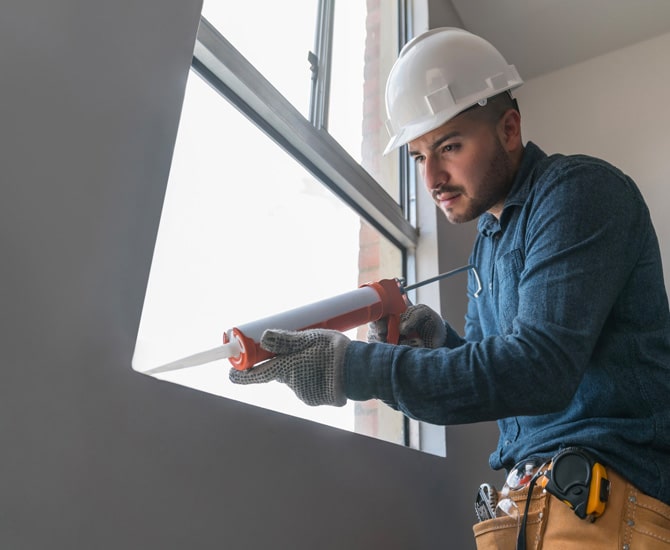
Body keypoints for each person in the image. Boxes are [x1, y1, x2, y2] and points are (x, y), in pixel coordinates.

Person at [230, 27, 670, 548]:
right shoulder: (488, 241)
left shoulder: (578, 194)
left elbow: (539, 370)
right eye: (418, 157)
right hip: (528, 506)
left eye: (450, 146)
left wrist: (353, 367)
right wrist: (441, 343)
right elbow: (507, 383)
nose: (432, 177)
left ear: (509, 129)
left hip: (610, 498)